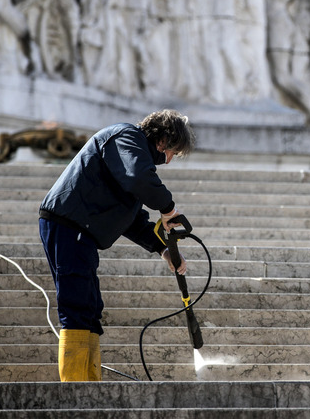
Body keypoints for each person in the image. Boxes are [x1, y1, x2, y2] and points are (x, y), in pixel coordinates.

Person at [38, 109, 196, 381]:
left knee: (90, 308)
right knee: (76, 305)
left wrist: (163, 249)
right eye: (172, 153)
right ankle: (75, 390)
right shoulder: (126, 136)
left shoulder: (131, 155)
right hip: (69, 225)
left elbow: (133, 218)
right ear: (163, 141)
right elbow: (138, 177)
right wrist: (168, 208)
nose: (169, 161)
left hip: (80, 230)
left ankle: (89, 384)